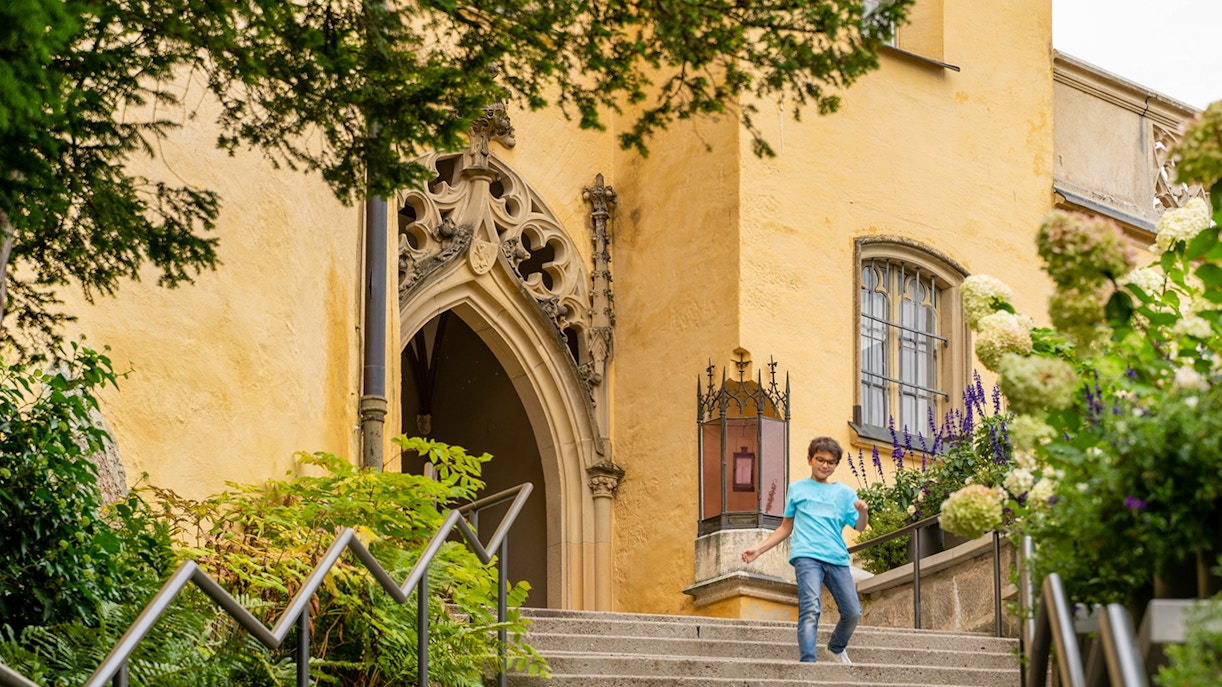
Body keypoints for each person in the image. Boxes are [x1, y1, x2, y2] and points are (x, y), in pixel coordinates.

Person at [741, 436, 868, 664]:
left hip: (837, 559)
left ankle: (836, 648)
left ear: (835, 465)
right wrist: (758, 550)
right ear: (810, 459)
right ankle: (808, 664)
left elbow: (859, 526)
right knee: (811, 608)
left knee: (852, 613)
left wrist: (863, 512)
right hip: (807, 557)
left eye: (830, 462)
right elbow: (785, 527)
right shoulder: (797, 489)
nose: (824, 465)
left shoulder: (845, 493)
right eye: (820, 459)